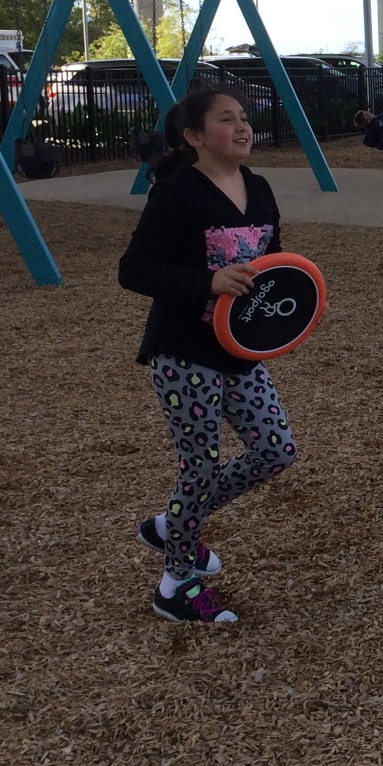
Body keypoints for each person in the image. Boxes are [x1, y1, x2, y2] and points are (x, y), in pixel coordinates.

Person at [117, 87, 300, 627]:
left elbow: (271, 264)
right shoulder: (176, 194)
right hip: (184, 354)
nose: (242, 127)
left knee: (276, 450)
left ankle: (175, 524)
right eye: (227, 120)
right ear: (194, 136)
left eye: (244, 118)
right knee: (199, 464)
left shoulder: (259, 188)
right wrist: (207, 281)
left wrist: (295, 308)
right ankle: (177, 584)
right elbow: (133, 269)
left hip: (240, 353)